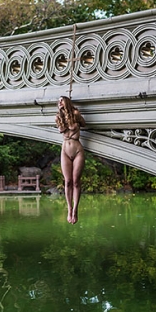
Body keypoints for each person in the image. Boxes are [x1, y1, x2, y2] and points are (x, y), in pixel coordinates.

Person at [56, 96, 86, 224]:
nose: (59, 102)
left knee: (76, 181)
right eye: (58, 101)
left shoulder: (75, 113)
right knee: (67, 181)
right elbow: (61, 129)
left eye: (61, 100)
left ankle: (75, 209)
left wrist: (76, 120)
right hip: (65, 150)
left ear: (66, 101)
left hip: (77, 149)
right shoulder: (58, 117)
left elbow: (84, 124)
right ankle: (69, 209)